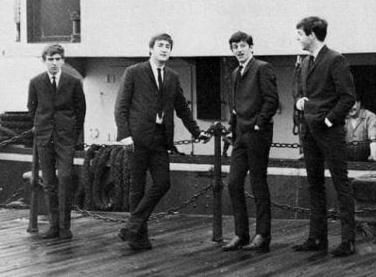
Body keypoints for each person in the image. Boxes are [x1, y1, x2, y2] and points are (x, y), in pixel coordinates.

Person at [114, 33, 211, 250]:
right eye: (160, 46)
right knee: (137, 189)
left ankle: (132, 225)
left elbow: (182, 108)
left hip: (160, 139)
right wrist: (125, 135)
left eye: (168, 46)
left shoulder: (172, 76)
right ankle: (139, 237)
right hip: (137, 138)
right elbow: (121, 105)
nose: (164, 49)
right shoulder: (134, 72)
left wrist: (196, 133)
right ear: (151, 49)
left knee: (162, 183)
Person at [293, 16, 357, 257]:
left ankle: (348, 241)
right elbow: (308, 94)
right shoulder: (307, 62)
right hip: (310, 131)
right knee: (314, 184)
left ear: (312, 34)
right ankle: (317, 238)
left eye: (300, 33)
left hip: (329, 132)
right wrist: (300, 102)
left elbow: (347, 97)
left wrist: (329, 120)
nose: (297, 38)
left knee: (341, 184)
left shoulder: (335, 60)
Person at [222, 31, 279, 252]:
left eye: (242, 45)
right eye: (234, 46)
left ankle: (263, 235)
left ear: (251, 47)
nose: (239, 49)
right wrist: (232, 127)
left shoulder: (262, 68)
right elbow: (235, 105)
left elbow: (271, 100)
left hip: (257, 134)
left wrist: (258, 123)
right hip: (240, 135)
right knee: (233, 183)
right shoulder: (235, 72)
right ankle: (241, 234)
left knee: (258, 183)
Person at [27, 44, 86, 240]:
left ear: (63, 60)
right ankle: (53, 226)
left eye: (57, 59)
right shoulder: (36, 82)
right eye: (50, 59)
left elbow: (80, 110)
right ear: (45, 60)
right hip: (45, 138)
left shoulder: (73, 82)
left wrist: (72, 134)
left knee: (66, 178)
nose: (54, 63)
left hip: (65, 138)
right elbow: (32, 108)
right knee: (50, 182)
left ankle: (65, 226)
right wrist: (42, 128)